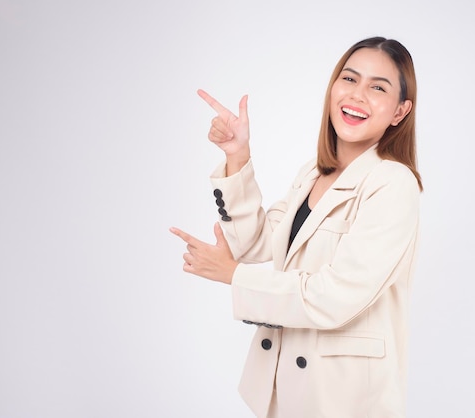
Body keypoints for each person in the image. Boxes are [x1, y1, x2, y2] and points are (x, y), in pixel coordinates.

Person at [170, 36, 422, 418]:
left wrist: (232, 276)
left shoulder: (393, 183)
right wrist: (237, 155)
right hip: (285, 388)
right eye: (349, 79)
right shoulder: (313, 173)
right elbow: (259, 245)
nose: (357, 95)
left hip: (344, 399)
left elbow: (335, 296)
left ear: (400, 111)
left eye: (378, 87)